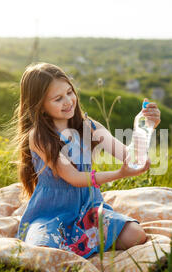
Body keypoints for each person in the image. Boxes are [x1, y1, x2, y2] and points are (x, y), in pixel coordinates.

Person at [11, 62, 161, 259]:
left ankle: (85, 243)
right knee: (44, 251)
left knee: (136, 235)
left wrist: (147, 128)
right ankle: (77, 245)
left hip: (88, 210)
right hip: (51, 215)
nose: (68, 101)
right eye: (58, 99)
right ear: (40, 106)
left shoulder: (89, 126)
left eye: (69, 92)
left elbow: (129, 156)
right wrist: (119, 174)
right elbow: (73, 178)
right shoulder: (39, 136)